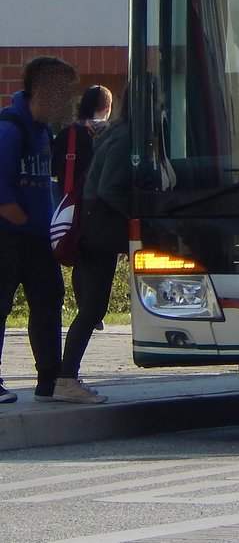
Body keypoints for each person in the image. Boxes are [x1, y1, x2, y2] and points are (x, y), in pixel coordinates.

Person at [0, 57, 78, 405]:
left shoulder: (45, 129)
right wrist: (25, 225)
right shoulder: (9, 128)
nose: (68, 99)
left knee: (48, 302)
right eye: (63, 91)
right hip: (9, 236)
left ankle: (50, 379)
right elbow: (1, 192)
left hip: (38, 237)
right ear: (43, 89)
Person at [56, 86, 134, 405]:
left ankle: (64, 377)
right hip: (101, 227)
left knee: (93, 306)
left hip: (94, 226)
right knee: (92, 308)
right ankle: (66, 379)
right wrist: (144, 217)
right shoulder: (125, 137)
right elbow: (111, 190)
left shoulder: (115, 132)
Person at [51, 84, 113, 198]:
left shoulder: (66, 135)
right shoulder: (114, 136)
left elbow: (53, 171)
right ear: (108, 108)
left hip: (72, 208)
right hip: (105, 206)